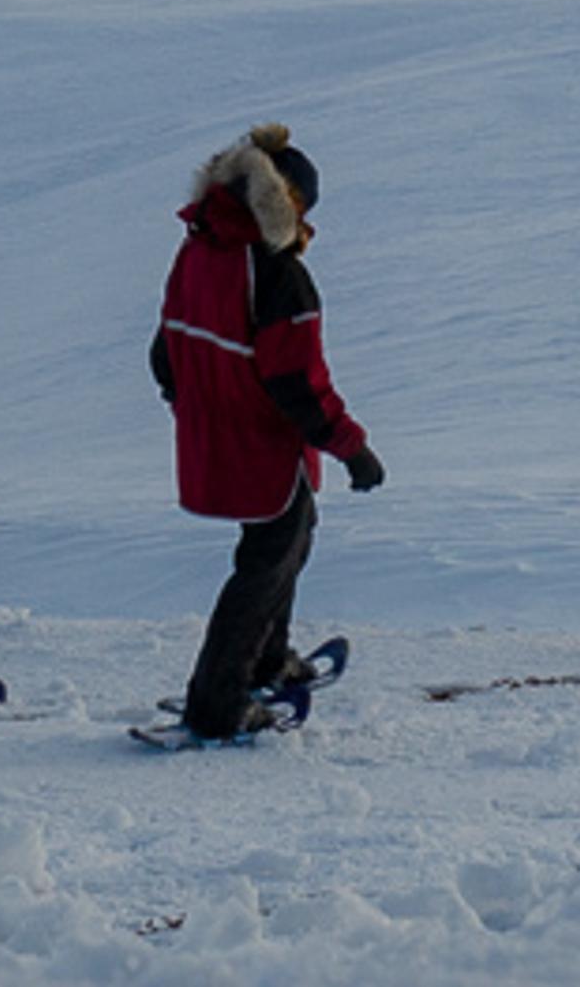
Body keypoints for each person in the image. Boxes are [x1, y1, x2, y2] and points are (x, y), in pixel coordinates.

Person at [152, 122, 381, 739]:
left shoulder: (199, 247)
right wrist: (353, 449)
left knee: (291, 539)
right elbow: (297, 383)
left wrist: (199, 406)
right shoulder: (276, 273)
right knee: (265, 563)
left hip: (216, 436)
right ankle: (217, 701)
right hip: (264, 444)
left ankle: (268, 660)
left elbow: (164, 351)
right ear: (287, 202)